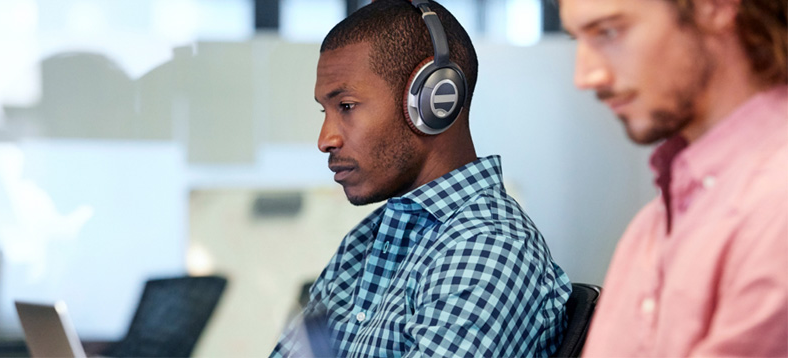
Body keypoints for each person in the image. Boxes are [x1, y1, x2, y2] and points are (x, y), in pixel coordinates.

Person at [271, 0, 572, 357]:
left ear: (434, 101)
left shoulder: (485, 248)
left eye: (347, 107)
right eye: (326, 111)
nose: (326, 140)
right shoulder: (367, 241)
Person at [561, 0, 787, 356]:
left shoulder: (774, 208)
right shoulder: (655, 221)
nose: (586, 77)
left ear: (714, 7)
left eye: (608, 32)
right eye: (578, 39)